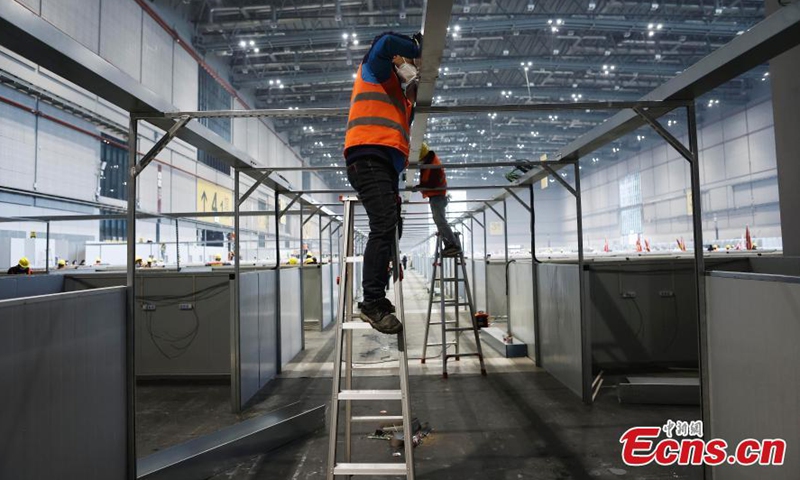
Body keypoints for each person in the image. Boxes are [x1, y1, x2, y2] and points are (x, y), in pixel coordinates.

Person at [344, 31, 422, 335]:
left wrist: (414, 88)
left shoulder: (400, 100)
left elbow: (409, 111)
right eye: (404, 61)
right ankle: (371, 301)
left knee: (393, 228)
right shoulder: (376, 70)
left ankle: (379, 290)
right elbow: (385, 40)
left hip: (385, 167)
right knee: (384, 224)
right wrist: (417, 47)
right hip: (367, 158)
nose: (408, 64)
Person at [415, 143, 461, 256]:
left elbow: (433, 183)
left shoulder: (434, 165)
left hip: (437, 196)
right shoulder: (429, 162)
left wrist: (419, 187)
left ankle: (453, 245)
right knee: (439, 220)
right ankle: (449, 244)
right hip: (436, 196)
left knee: (440, 221)